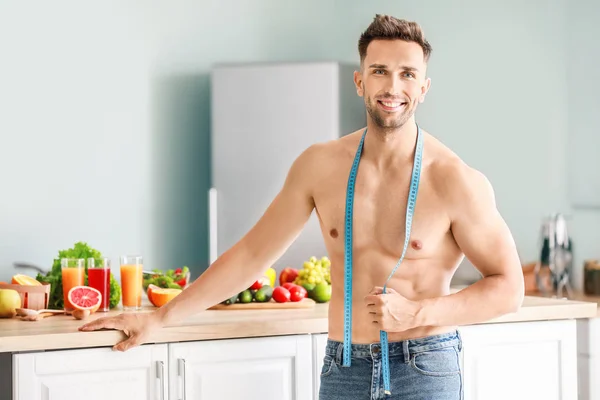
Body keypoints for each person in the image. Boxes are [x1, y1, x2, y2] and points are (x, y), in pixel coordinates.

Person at [80, 14, 524, 400]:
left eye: (408, 74)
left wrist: (420, 312)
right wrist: (160, 318)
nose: (393, 87)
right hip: (342, 365)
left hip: (424, 366)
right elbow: (253, 254)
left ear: (424, 87)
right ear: (360, 80)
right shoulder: (320, 166)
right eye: (380, 71)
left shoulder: (454, 180)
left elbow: (509, 288)